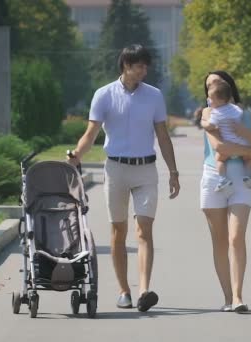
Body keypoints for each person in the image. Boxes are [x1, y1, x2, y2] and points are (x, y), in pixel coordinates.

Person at [68, 44, 180, 312]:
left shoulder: (153, 96)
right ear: (126, 65)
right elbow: (91, 133)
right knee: (118, 232)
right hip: (116, 169)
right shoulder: (104, 95)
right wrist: (75, 158)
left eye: (146, 65)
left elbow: (163, 137)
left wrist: (173, 172)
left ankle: (144, 290)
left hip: (145, 169)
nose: (144, 70)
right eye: (139, 65)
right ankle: (123, 291)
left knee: (144, 230)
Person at [199, 70, 251, 313]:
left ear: (228, 86)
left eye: (217, 83)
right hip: (214, 178)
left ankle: (239, 297)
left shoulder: (247, 115)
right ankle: (228, 297)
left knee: (236, 237)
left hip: (240, 180)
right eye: (208, 85)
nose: (212, 87)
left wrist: (247, 135)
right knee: (219, 242)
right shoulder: (209, 114)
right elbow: (219, 146)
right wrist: (248, 150)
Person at [200, 80, 251, 193]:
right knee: (249, 159)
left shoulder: (216, 113)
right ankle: (248, 176)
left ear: (219, 100)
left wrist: (203, 123)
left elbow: (210, 126)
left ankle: (223, 180)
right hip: (242, 144)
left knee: (219, 160)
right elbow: (241, 110)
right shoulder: (235, 109)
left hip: (227, 146)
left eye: (211, 98)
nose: (209, 100)